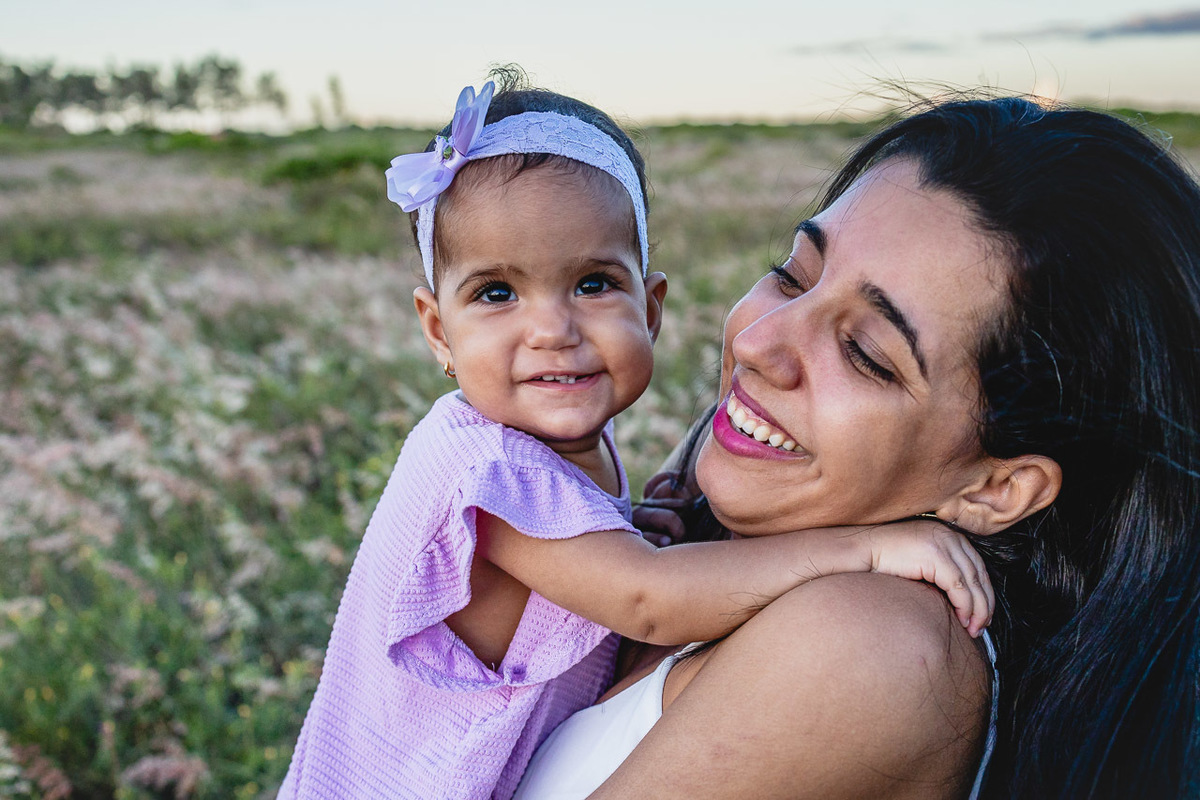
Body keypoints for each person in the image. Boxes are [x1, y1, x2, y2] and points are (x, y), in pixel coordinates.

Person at [278, 73, 993, 800]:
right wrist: (864, 548)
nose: (552, 330)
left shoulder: (554, 454)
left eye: (592, 284)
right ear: (438, 331)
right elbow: (649, 599)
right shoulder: (484, 466)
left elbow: (585, 587)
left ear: (650, 309)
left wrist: (616, 531)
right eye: (496, 293)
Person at [514, 95, 1200, 800]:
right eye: (795, 274)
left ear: (997, 487)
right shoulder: (702, 511)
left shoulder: (871, 645)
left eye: (866, 353)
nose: (755, 341)